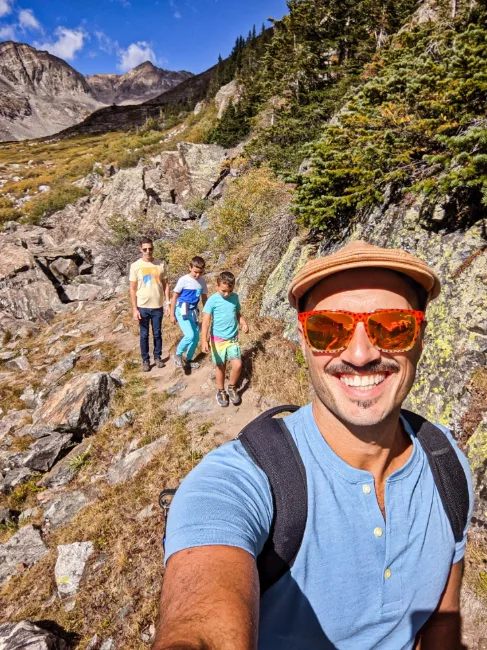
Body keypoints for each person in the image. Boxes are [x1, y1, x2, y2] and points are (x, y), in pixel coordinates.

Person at [152, 241, 473, 650]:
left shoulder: (445, 462)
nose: (360, 354)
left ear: (420, 337)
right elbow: (199, 626)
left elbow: (444, 621)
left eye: (393, 325)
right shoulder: (242, 480)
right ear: (304, 339)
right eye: (329, 328)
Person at [201, 271, 249, 407]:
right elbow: (206, 321)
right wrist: (204, 340)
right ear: (217, 286)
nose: (226, 294)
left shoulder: (235, 298)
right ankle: (221, 391)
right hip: (217, 340)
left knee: (238, 365)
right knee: (221, 366)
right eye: (223, 291)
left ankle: (232, 387)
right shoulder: (212, 300)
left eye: (230, 290)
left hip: (232, 338)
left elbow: (238, 313)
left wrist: (243, 323)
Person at [129, 237, 170, 372]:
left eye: (150, 249)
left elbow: (166, 285)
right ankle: (145, 361)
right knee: (144, 335)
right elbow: (133, 288)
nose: (148, 251)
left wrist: (167, 302)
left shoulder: (160, 264)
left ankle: (157, 357)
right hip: (143, 306)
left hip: (157, 306)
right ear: (140, 249)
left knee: (157, 333)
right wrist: (135, 309)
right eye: (145, 249)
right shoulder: (135, 266)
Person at [170, 256, 208, 369]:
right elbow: (175, 296)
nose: (197, 275)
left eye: (200, 272)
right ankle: (178, 354)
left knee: (196, 337)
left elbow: (204, 297)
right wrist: (172, 314)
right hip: (182, 310)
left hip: (194, 311)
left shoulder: (202, 281)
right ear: (190, 268)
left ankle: (188, 360)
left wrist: (207, 312)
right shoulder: (184, 280)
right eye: (195, 272)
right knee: (189, 335)